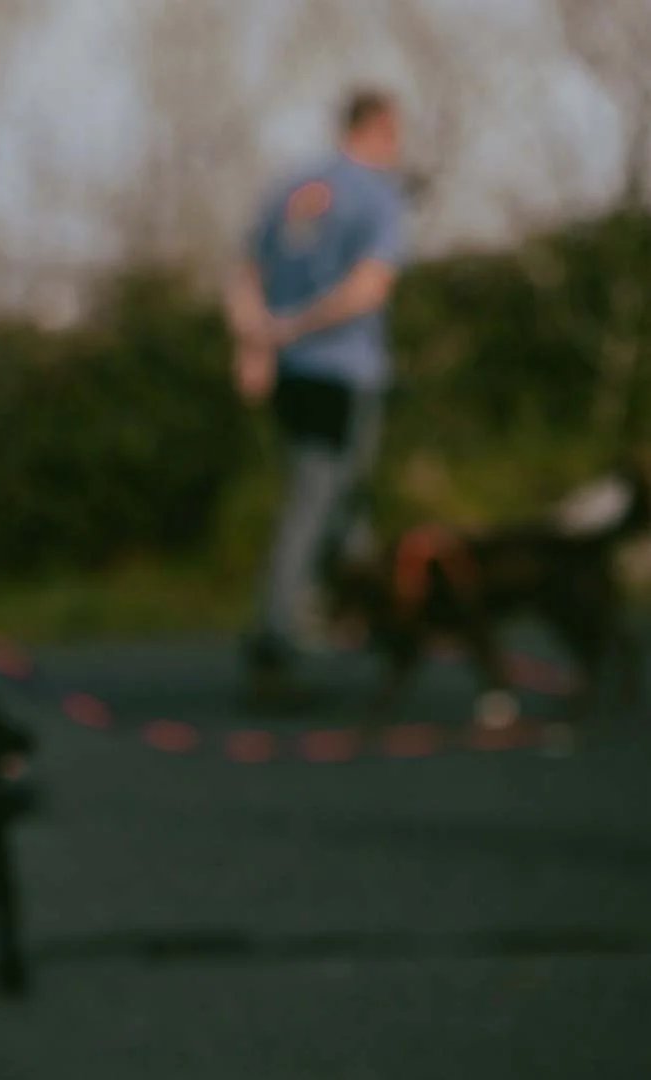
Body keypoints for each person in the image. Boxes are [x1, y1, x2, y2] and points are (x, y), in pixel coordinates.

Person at [228, 88, 409, 707]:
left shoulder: (291, 188)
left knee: (346, 502)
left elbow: (246, 273)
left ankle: (368, 621)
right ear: (379, 129)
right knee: (316, 502)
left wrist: (256, 345)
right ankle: (277, 640)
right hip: (341, 373)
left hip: (292, 377)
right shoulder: (375, 194)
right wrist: (289, 329)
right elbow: (369, 289)